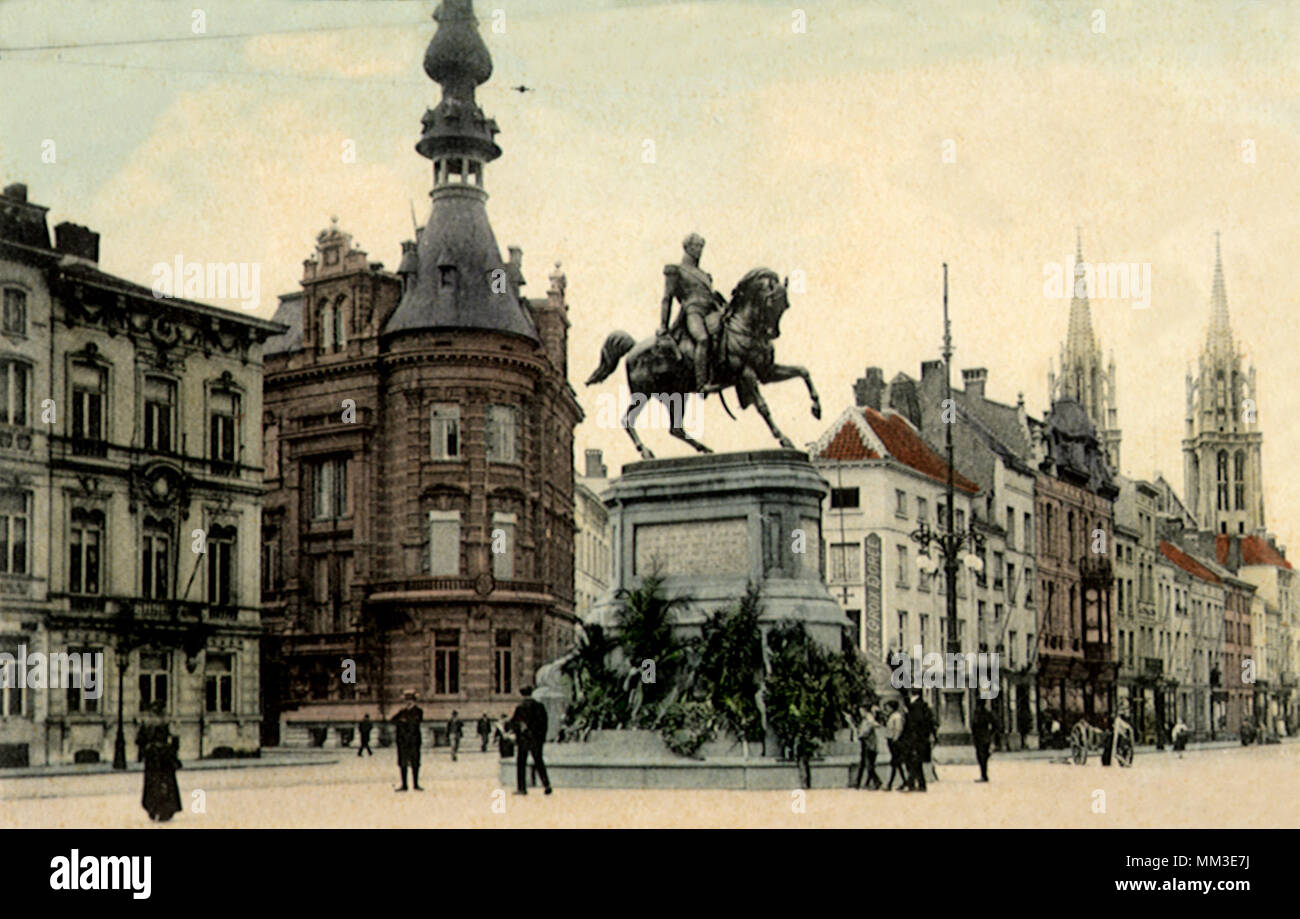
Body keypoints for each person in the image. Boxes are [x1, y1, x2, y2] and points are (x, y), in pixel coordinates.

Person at [659, 232, 727, 394]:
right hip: (692, 312)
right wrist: (663, 325)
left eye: (701, 247)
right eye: (697, 246)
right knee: (702, 339)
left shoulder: (705, 275)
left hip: (710, 312)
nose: (700, 250)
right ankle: (702, 383)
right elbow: (667, 298)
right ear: (687, 248)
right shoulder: (676, 270)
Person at [138, 702, 182, 822]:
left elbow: (140, 740)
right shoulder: (167, 721)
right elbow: (175, 739)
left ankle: (153, 808)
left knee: (152, 783)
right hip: (164, 756)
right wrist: (173, 752)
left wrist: (143, 752)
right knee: (167, 783)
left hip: (152, 756)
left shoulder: (147, 722)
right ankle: (166, 809)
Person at [509, 686, 552, 795]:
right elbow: (545, 724)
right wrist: (541, 738)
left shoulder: (520, 708)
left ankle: (522, 788)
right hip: (537, 739)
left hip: (524, 740)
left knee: (521, 763)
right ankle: (546, 784)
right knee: (539, 761)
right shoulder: (540, 706)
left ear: (523, 695)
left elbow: (514, 724)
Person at [391, 690, 424, 791]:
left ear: (414, 701)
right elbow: (392, 721)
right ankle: (404, 785)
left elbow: (414, 723)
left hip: (414, 742)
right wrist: (401, 715)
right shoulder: (402, 712)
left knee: (415, 763)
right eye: (406, 701)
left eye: (410, 700)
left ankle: (416, 784)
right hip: (403, 742)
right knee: (403, 763)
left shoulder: (418, 711)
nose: (408, 703)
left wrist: (402, 721)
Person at [854, 706, 883, 790]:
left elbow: (871, 727)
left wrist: (860, 734)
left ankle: (876, 781)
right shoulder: (865, 719)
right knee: (865, 763)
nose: (860, 713)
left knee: (867, 764)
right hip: (866, 743)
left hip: (868, 743)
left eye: (861, 711)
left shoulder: (868, 718)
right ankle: (860, 783)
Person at [883, 699, 908, 791]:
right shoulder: (892, 716)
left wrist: (895, 739)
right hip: (892, 740)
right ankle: (904, 781)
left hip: (895, 741)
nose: (887, 709)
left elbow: (898, 729)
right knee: (896, 763)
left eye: (888, 707)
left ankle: (890, 784)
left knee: (895, 763)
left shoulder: (896, 716)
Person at [972, 697, 997, 782]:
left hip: (980, 738)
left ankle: (984, 775)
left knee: (981, 757)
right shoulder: (987, 713)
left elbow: (973, 726)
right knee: (984, 757)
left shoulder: (978, 714)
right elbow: (995, 724)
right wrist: (990, 734)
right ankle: (984, 775)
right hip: (985, 738)